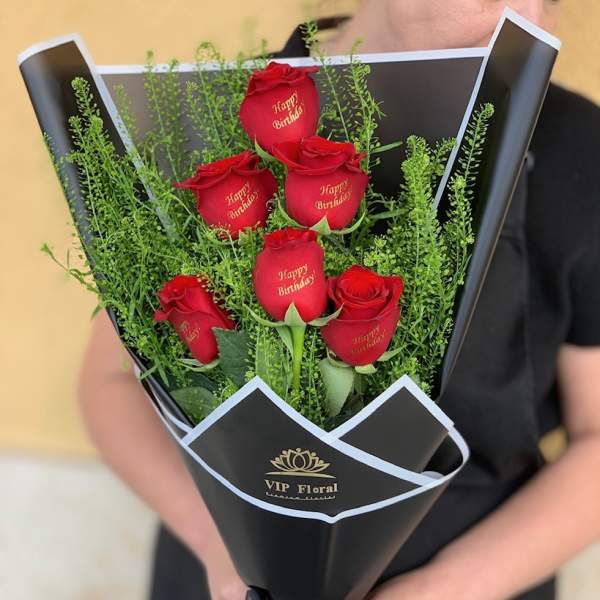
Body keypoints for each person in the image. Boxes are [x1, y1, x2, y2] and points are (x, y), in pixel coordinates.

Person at [79, 1, 600, 599]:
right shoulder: (209, 116)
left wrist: (439, 590)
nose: (524, 13)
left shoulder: (579, 152)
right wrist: (226, 555)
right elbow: (109, 384)